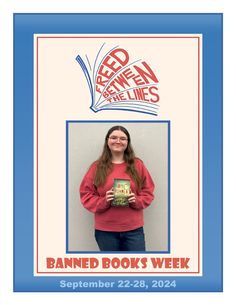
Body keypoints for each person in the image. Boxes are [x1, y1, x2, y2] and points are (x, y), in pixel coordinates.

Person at [79, 125, 155, 251]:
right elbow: (86, 195)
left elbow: (148, 192)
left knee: (137, 269)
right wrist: (104, 201)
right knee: (112, 270)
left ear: (127, 142)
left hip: (133, 230)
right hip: (105, 231)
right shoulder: (96, 167)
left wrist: (135, 200)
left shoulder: (138, 165)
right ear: (107, 141)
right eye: (113, 137)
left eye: (123, 138)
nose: (118, 141)